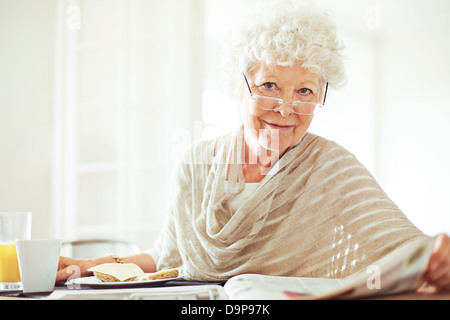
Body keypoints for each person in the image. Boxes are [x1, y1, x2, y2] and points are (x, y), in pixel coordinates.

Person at [57, 2, 450, 291]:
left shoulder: (333, 168)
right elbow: (167, 257)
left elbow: (411, 252)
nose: (286, 108)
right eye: (269, 86)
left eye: (305, 91)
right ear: (238, 84)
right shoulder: (196, 162)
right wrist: (87, 264)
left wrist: (438, 258)